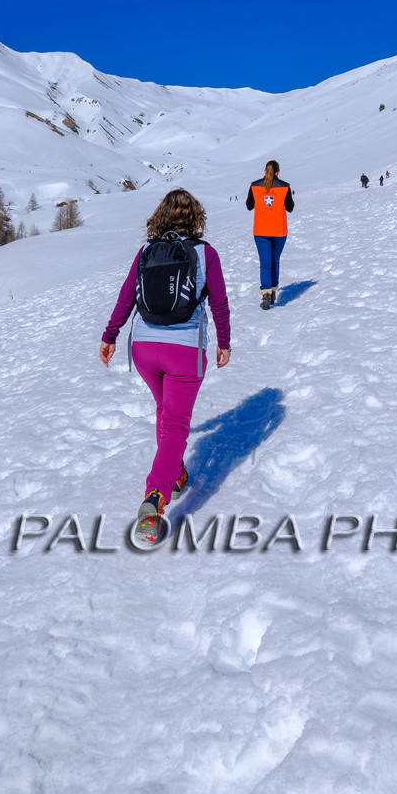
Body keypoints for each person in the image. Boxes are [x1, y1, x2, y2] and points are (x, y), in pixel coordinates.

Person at [100, 188, 231, 541]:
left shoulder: (145, 252)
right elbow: (218, 304)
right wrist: (225, 342)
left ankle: (175, 472)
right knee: (175, 422)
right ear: (196, 218)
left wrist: (110, 335)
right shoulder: (206, 254)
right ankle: (155, 496)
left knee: (165, 410)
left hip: (143, 348)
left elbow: (126, 297)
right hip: (184, 350)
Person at [246, 160, 294, 309]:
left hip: (261, 231)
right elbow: (290, 208)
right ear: (278, 172)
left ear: (264, 171)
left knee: (265, 263)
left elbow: (249, 206)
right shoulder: (285, 186)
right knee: (275, 261)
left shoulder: (255, 185)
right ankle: (273, 292)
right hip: (279, 230)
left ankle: (265, 294)